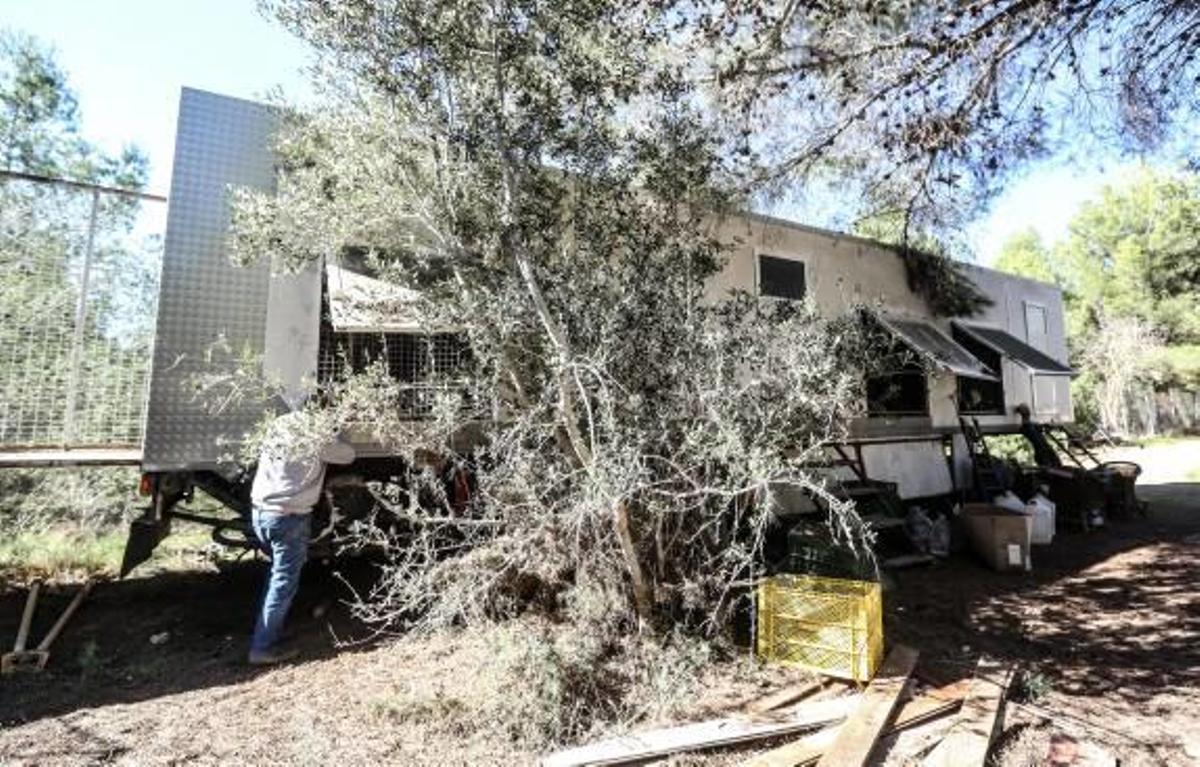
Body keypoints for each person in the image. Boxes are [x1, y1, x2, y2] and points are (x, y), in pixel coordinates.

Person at [247, 406, 355, 665]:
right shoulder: (315, 436)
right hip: (289, 518)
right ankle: (262, 647)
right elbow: (348, 455)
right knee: (283, 583)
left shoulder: (279, 424)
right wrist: (338, 433)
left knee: (276, 576)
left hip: (261, 514)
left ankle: (269, 632)